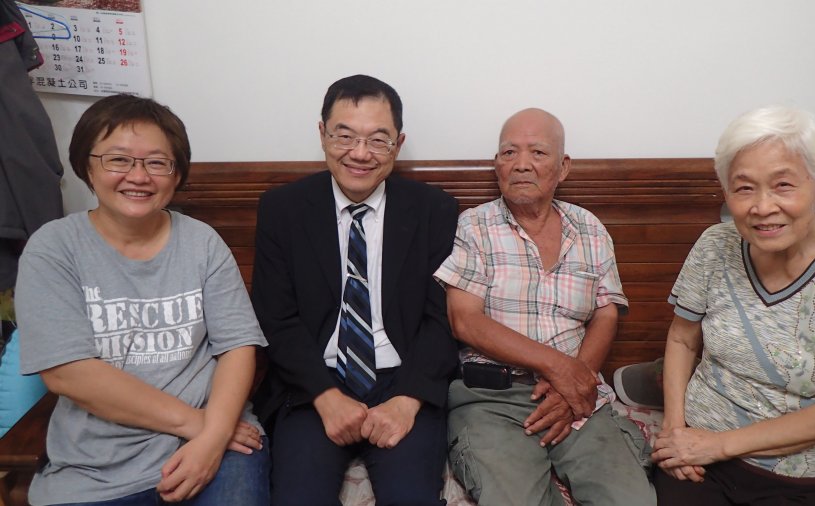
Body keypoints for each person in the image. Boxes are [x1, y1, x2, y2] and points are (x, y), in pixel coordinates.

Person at [15, 94, 269, 506]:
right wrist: (201, 426)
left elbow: (238, 346)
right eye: (118, 160)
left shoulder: (202, 242)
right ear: (87, 167)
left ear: (176, 173)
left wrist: (214, 438)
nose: (138, 176)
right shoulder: (54, 248)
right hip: (95, 466)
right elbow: (68, 374)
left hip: (218, 440)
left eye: (156, 162)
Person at [652, 105, 815, 505]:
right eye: (744, 188)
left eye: (783, 185)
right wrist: (674, 431)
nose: (763, 207)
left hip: (795, 479)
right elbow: (682, 339)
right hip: (696, 462)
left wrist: (715, 446)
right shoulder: (715, 245)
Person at [251, 74, 459, 505]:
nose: (360, 153)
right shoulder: (283, 209)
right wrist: (325, 396)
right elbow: (276, 317)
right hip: (314, 382)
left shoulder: (433, 210)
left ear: (398, 145)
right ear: (322, 134)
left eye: (378, 140)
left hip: (402, 380)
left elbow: (442, 318)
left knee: (411, 498)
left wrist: (408, 399)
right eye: (344, 136)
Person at [434, 108, 655, 505]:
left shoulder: (589, 228)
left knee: (630, 500)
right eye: (509, 153)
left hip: (579, 397)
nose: (521, 164)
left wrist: (574, 384)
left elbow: (606, 313)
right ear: (497, 165)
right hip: (493, 398)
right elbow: (463, 320)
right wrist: (558, 367)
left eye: (537, 152)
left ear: (563, 166)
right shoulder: (474, 226)